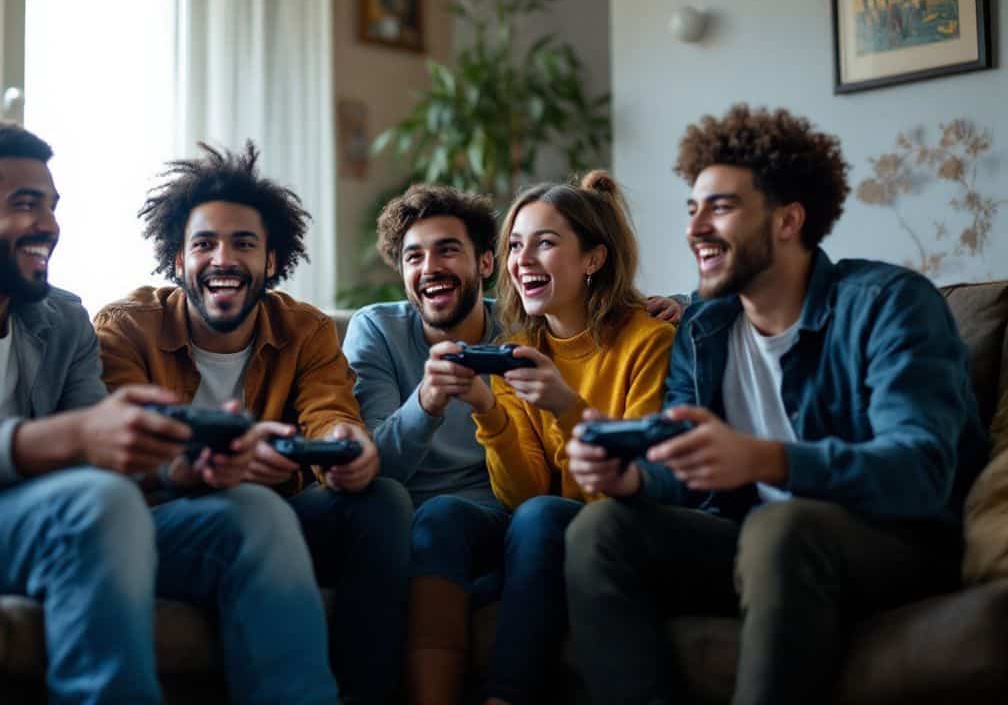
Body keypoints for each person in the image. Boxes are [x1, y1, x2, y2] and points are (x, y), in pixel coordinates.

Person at [0, 121, 339, 705]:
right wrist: (83, 434)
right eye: (24, 204)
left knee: (251, 513)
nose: (48, 225)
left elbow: (110, 460)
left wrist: (184, 471)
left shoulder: (60, 318)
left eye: (52, 206)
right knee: (91, 504)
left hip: (42, 522)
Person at [564, 105, 989, 705]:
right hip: (757, 542)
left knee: (781, 526)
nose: (694, 228)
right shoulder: (704, 329)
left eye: (721, 207)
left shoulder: (890, 304)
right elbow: (684, 473)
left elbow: (919, 469)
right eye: (693, 209)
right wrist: (632, 476)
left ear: (789, 219)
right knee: (600, 528)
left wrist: (768, 461)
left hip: (893, 541)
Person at [93, 141, 412, 705]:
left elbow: (331, 411)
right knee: (252, 509)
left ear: (270, 261)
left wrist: (346, 447)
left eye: (243, 244)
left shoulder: (307, 330)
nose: (223, 259)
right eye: (204, 244)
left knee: (381, 499)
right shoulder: (125, 330)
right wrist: (205, 467)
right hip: (164, 523)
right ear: (177, 260)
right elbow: (123, 455)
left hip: (278, 513)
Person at [465, 170, 674, 705]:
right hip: (549, 529)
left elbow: (633, 484)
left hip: (625, 523)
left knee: (531, 540)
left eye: (546, 243)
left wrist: (565, 405)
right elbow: (524, 496)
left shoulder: (649, 339)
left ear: (593, 260)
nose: (522, 260)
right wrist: (490, 412)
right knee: (486, 567)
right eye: (514, 246)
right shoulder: (517, 352)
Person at [340, 184, 509, 704]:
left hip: (496, 516)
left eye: (447, 250)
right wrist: (427, 403)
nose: (429, 266)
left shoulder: (524, 325)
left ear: (484, 264)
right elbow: (376, 468)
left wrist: (672, 305)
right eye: (414, 256)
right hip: (405, 522)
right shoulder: (377, 330)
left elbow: (610, 310)